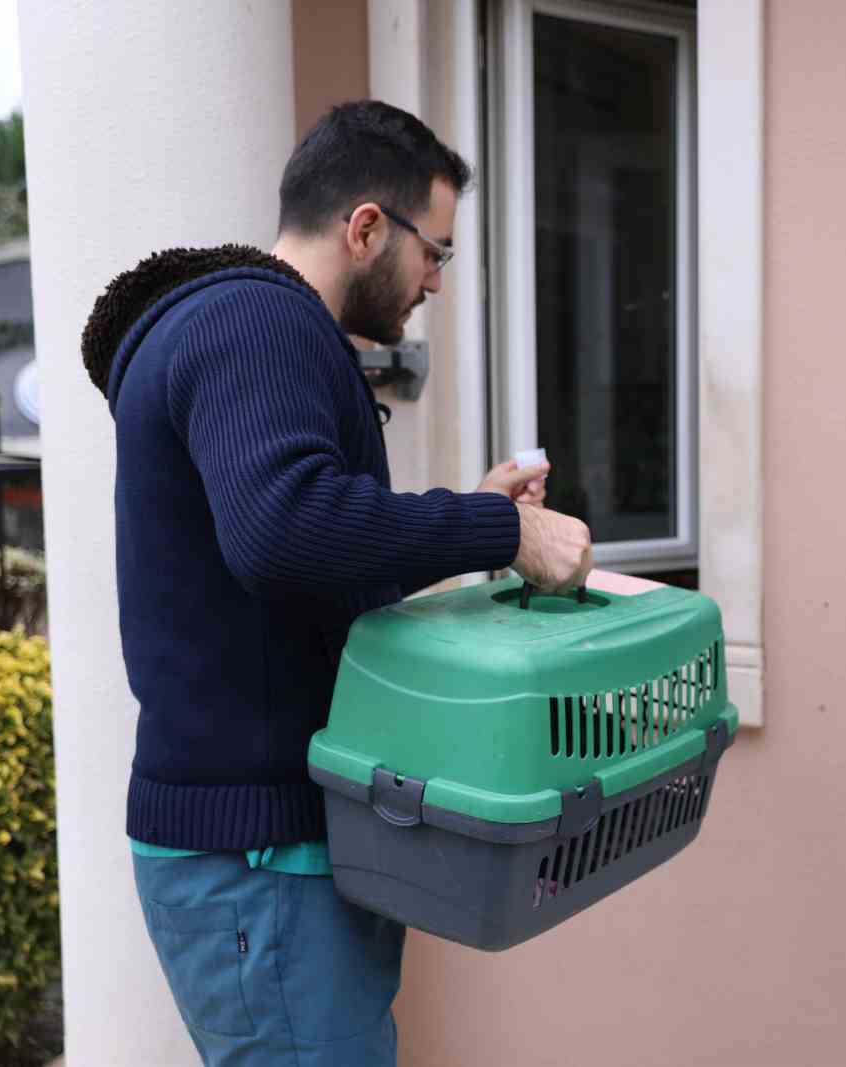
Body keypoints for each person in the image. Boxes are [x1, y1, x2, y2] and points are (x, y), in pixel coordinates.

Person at [81, 100, 593, 1065]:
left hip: (264, 855)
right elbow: (284, 529)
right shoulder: (257, 321)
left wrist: (473, 519)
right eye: (435, 250)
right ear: (366, 227)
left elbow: (303, 557)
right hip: (259, 862)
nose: (438, 280)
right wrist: (506, 529)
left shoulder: (247, 327)